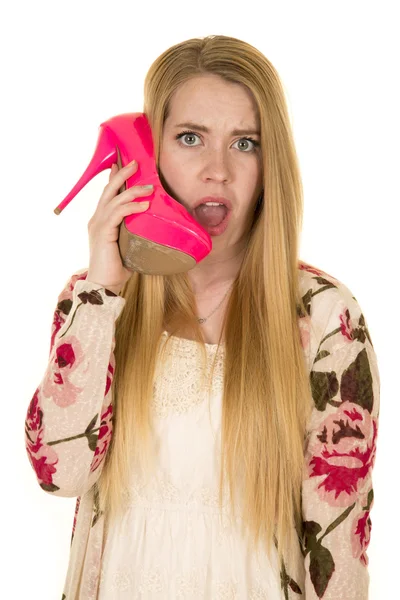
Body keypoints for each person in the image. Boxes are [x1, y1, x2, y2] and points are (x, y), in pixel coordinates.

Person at [24, 35, 380, 599]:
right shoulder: (98, 301)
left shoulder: (325, 317)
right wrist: (100, 293)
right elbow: (58, 472)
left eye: (245, 143)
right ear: (147, 149)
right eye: (190, 138)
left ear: (271, 164)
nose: (217, 170)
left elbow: (339, 550)